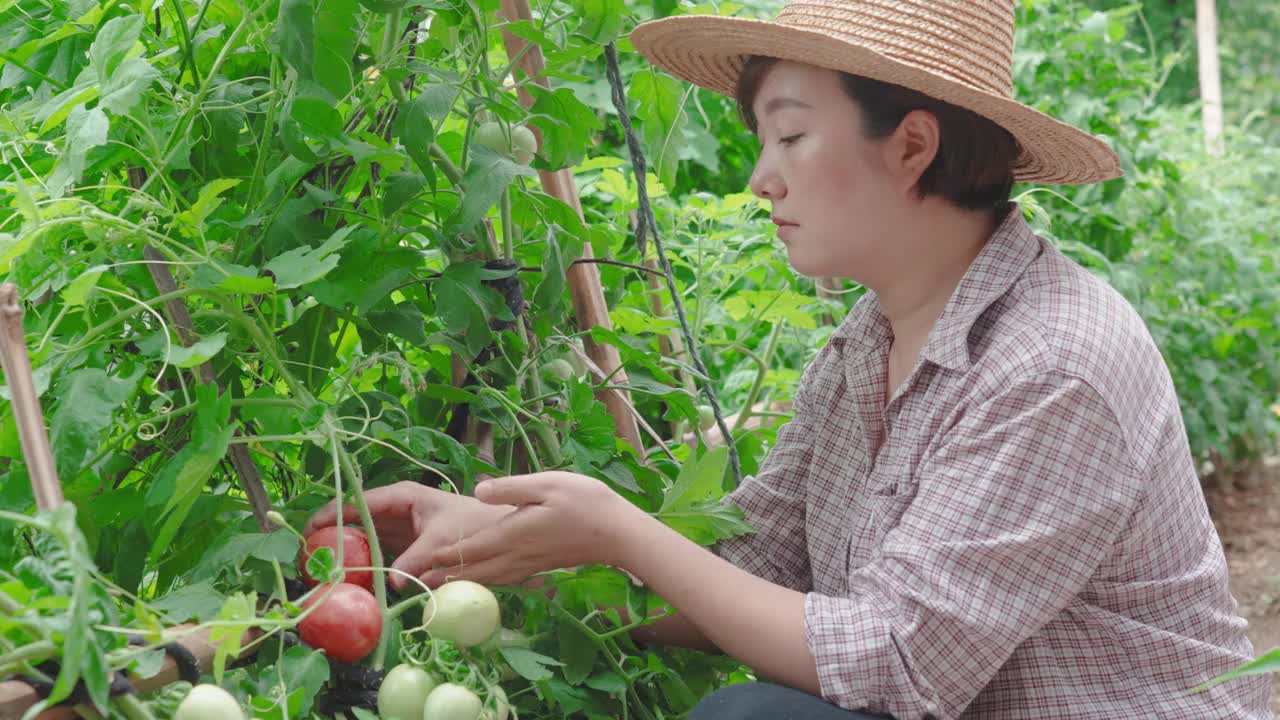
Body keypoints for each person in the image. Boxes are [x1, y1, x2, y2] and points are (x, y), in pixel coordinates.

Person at [306, 0, 1274, 717]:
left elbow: (897, 660)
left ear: (911, 146)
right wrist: (510, 550)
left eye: (792, 137)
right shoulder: (864, 346)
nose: (761, 179)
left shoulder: (1053, 361)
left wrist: (615, 530)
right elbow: (749, 565)